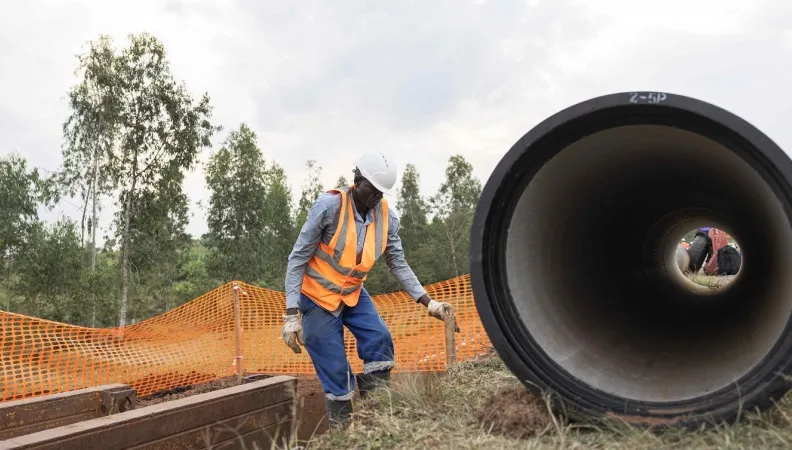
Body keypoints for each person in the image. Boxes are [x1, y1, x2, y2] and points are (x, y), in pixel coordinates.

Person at [281, 150, 458, 427]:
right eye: (372, 189)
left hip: (352, 292)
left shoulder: (387, 218)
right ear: (357, 180)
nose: (377, 197)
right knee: (336, 371)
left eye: (381, 192)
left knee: (379, 338)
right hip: (316, 297)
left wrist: (430, 303)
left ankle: (376, 419)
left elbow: (398, 263)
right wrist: (292, 315)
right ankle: (344, 435)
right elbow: (297, 259)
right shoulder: (329, 208)